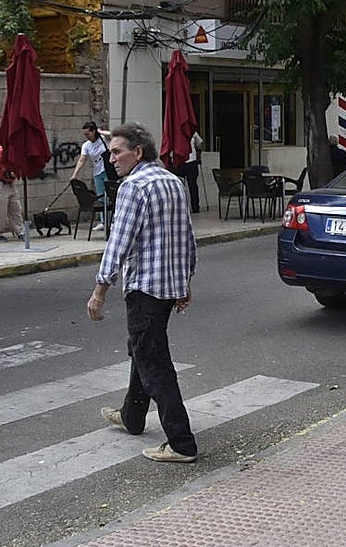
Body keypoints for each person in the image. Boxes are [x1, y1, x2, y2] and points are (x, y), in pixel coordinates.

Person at [86, 122, 198, 463]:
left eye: (117, 151)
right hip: (167, 289)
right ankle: (132, 416)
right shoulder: (172, 180)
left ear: (138, 152)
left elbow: (119, 241)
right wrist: (185, 282)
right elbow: (187, 236)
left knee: (154, 362)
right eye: (110, 151)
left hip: (145, 288)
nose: (111, 158)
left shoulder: (133, 186)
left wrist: (99, 290)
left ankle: (181, 443)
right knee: (142, 348)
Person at [71, 121, 112, 230]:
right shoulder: (86, 145)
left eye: (88, 134)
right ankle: (103, 221)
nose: (87, 137)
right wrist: (75, 173)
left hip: (108, 170)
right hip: (97, 172)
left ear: (93, 131)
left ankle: (111, 220)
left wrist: (100, 131)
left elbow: (114, 135)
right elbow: (82, 159)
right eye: (85, 135)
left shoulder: (103, 139)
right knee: (101, 196)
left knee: (110, 195)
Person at [0, 144, 23, 242]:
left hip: (10, 182)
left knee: (16, 208)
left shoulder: (19, 152)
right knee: (0, 210)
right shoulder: (5, 149)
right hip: (0, 182)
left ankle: (21, 232)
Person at [180, 131, 203, 213]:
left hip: (191, 161)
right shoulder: (175, 130)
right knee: (180, 185)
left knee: (192, 185)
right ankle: (182, 207)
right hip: (180, 161)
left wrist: (198, 155)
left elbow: (199, 143)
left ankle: (195, 206)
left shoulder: (192, 131)